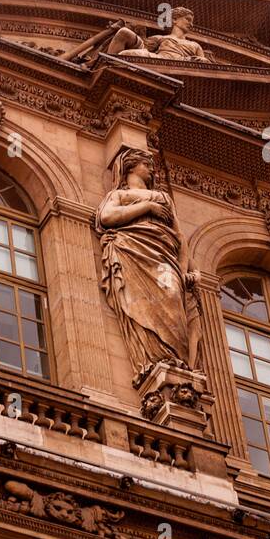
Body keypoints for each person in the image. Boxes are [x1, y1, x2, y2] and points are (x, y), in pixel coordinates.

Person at [96, 148, 199, 382]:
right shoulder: (119, 194)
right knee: (140, 304)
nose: (151, 167)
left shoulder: (164, 197)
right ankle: (155, 359)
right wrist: (146, 207)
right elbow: (107, 217)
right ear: (131, 166)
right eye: (145, 163)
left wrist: (185, 270)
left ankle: (176, 361)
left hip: (164, 257)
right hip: (133, 249)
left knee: (172, 295)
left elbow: (180, 237)